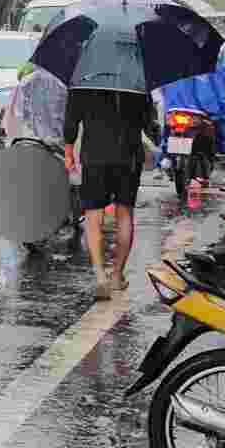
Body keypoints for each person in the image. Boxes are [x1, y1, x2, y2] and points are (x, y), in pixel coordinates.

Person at [64, 86, 159, 300]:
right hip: (129, 156)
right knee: (124, 214)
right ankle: (116, 276)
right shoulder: (137, 81)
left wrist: (68, 152)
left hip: (95, 156)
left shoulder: (84, 80)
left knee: (93, 216)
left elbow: (71, 118)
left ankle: (100, 278)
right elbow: (148, 123)